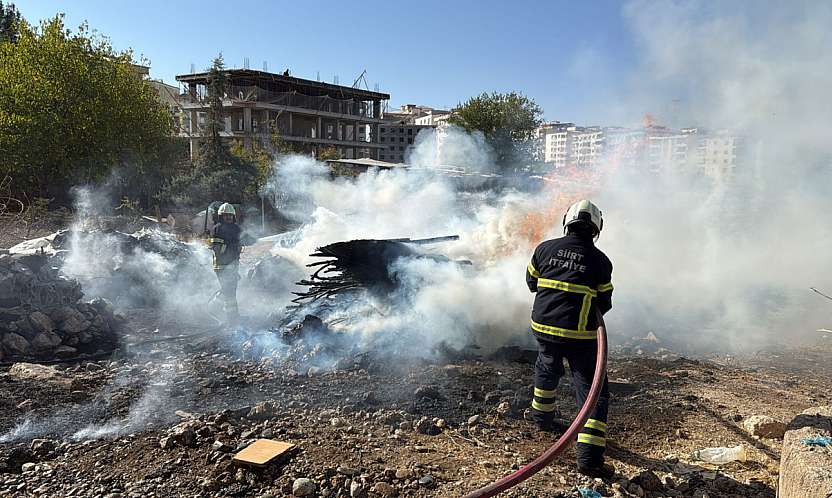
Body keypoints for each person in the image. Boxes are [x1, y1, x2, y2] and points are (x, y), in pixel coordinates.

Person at [525, 199, 615, 478]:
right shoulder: (600, 261)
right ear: (596, 228)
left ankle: (542, 418)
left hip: (542, 327)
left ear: (567, 223)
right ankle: (589, 458)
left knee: (547, 368)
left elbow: (531, 283)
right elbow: (605, 302)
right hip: (579, 335)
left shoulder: (544, 249)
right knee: (592, 391)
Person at [209, 203, 254, 324]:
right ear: (221, 216)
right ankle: (231, 319)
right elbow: (217, 248)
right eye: (226, 215)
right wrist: (232, 246)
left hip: (232, 266)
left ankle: (217, 309)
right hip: (223, 266)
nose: (228, 217)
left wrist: (253, 239)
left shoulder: (235, 228)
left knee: (230, 290)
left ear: (233, 216)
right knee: (230, 293)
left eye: (230, 215)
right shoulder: (217, 229)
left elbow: (245, 238)